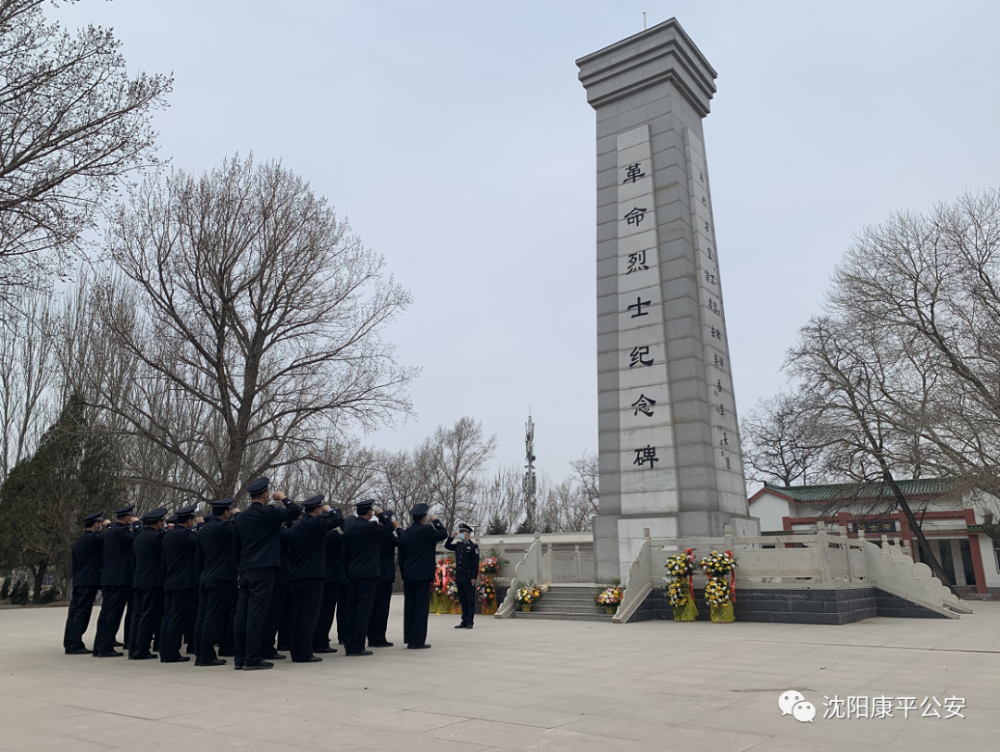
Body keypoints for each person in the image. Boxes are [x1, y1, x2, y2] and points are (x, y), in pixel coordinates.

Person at [231, 477, 300, 671]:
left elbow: (235, 546)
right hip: (263, 568)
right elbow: (295, 511)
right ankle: (253, 657)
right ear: (265, 494)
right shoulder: (268, 512)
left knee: (242, 613)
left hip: (245, 569)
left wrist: (239, 568)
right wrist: (283, 497)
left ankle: (240, 656)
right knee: (256, 613)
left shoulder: (242, 517)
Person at [287, 495, 345, 663]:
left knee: (296, 615)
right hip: (312, 575)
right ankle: (305, 652)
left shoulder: (296, 527)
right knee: (308, 616)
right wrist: (331, 509)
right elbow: (339, 519)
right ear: (318, 509)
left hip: (296, 575)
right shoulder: (316, 524)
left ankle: (295, 651)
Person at [342, 499, 398, 656]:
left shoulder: (349, 529)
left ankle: (348, 642)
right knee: (363, 610)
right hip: (368, 573)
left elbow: (345, 554)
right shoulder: (370, 527)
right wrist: (382, 516)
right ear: (369, 512)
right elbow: (388, 528)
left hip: (352, 573)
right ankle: (358, 645)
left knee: (350, 609)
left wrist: (345, 573)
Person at [397, 503, 448, 649]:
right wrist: (436, 521)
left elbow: (401, 556)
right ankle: (418, 640)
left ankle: (409, 637)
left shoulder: (405, 533)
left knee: (410, 606)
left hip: (409, 575)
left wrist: (404, 573)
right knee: (420, 607)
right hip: (423, 575)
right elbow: (443, 534)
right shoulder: (427, 530)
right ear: (424, 518)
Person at [194, 498, 237, 667]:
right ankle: (206, 655)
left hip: (205, 577)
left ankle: (200, 652)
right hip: (219, 578)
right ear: (226, 512)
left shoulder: (203, 530)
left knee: (202, 617)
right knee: (213, 617)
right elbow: (240, 527)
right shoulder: (225, 528)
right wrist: (237, 514)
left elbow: (199, 557)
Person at [92, 504, 139, 657]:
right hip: (120, 579)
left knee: (106, 612)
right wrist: (137, 524)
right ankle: (106, 647)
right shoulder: (122, 532)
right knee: (114, 613)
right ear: (127, 517)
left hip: (108, 578)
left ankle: (100, 645)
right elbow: (138, 539)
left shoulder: (110, 532)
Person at [63, 512, 108, 654]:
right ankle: (75, 644)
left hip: (79, 580)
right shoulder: (95, 539)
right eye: (100, 523)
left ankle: (70, 641)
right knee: (82, 613)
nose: (101, 526)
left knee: (74, 612)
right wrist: (110, 526)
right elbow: (112, 537)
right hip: (89, 580)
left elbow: (75, 564)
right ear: (96, 524)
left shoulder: (79, 542)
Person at [160, 504, 199, 662]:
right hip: (183, 582)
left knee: (168, 617)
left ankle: (165, 650)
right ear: (189, 521)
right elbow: (199, 541)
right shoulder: (186, 536)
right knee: (177, 618)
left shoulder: (168, 536)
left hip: (170, 580)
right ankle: (172, 652)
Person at [129, 508, 167, 659]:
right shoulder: (157, 538)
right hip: (152, 580)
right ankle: (142, 649)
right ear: (158, 523)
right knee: (148, 615)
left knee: (137, 614)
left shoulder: (138, 538)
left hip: (139, 579)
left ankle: (134, 647)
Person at [261, 518, 294, 661]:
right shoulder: (281, 534)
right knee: (274, 615)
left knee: (271, 615)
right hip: (279, 579)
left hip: (269, 577)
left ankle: (267, 645)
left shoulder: (264, 533)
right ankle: (267, 647)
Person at [313, 515, 345, 654]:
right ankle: (321, 641)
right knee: (327, 612)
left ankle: (317, 639)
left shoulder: (316, 534)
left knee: (318, 610)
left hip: (319, 575)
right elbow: (348, 533)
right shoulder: (334, 536)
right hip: (332, 577)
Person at [367, 510, 399, 648]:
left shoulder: (371, 533)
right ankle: (379, 637)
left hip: (372, 574)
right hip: (384, 576)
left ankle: (371, 636)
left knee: (371, 608)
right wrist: (398, 528)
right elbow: (402, 541)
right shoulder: (387, 535)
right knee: (382, 609)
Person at [445, 523, 480, 630]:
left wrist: (474, 577)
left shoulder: (473, 546)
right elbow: (447, 546)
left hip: (469, 577)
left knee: (469, 600)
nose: (460, 534)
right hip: (460, 576)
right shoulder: (459, 545)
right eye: (460, 532)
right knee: (462, 599)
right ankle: (464, 620)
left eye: (462, 532)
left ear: (468, 534)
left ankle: (470, 621)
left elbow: (475, 563)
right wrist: (451, 537)